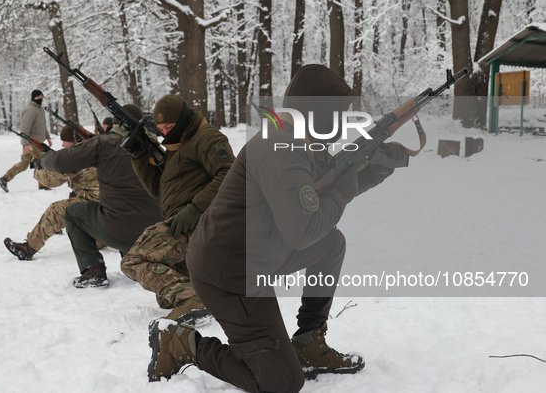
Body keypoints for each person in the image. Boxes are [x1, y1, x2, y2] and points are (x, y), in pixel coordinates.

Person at [147, 65, 408, 392]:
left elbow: (323, 195)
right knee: (280, 383)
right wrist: (347, 187)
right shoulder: (279, 148)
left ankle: (308, 343)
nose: (344, 122)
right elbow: (304, 230)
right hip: (228, 274)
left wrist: (374, 172)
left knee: (331, 244)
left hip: (258, 254)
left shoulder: (303, 142)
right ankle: (183, 343)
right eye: (339, 114)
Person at [120, 94, 234, 323]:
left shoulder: (207, 138)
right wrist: (140, 154)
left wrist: (194, 209)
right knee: (166, 297)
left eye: (169, 126)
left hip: (199, 222)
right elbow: (157, 188)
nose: (164, 132)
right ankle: (204, 295)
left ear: (182, 120)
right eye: (160, 127)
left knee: (132, 261)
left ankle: (194, 299)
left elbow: (230, 175)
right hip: (183, 220)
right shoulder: (177, 142)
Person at [40, 105, 162, 288]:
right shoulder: (156, 147)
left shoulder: (106, 144)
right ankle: (132, 258)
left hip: (121, 232)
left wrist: (43, 159)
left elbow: (61, 161)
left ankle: (93, 271)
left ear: (115, 124)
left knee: (73, 213)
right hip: (156, 235)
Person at [3, 125, 99, 261]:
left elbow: (49, 181)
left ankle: (28, 249)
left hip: (98, 209)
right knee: (75, 202)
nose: (63, 145)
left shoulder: (76, 158)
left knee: (56, 210)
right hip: (111, 210)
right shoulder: (94, 150)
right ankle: (99, 240)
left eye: (66, 140)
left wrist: (40, 165)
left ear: (75, 141)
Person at [0, 89, 52, 192]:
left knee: (25, 164)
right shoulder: (30, 110)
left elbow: (43, 125)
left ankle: (4, 179)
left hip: (39, 142)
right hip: (31, 143)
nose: (40, 99)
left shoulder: (40, 109)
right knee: (41, 161)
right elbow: (24, 129)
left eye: (41, 97)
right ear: (33, 98)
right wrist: (25, 144)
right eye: (38, 97)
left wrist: (48, 137)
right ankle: (43, 185)